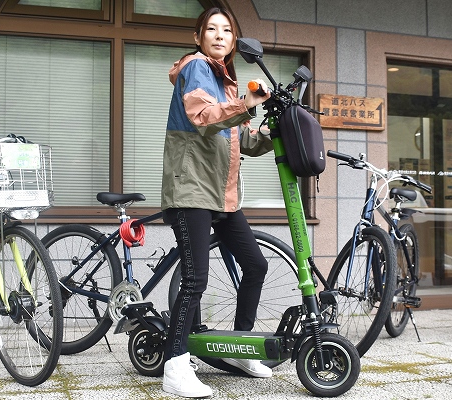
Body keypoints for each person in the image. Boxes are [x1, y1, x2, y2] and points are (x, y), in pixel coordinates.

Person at [161, 7, 274, 398]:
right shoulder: (195, 67)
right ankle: (174, 365)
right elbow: (203, 116)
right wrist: (246, 101)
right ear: (198, 37)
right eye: (211, 29)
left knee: (255, 264)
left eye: (227, 30)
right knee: (195, 280)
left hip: (221, 196)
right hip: (190, 189)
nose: (220, 35)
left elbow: (244, 139)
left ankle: (241, 348)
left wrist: (279, 131)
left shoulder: (226, 84)